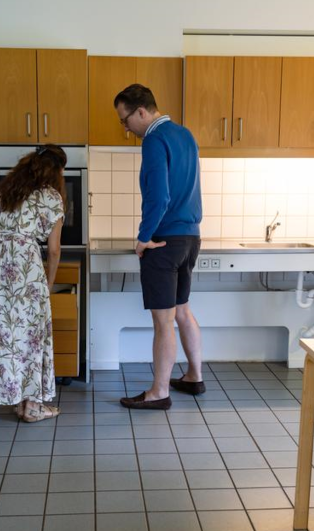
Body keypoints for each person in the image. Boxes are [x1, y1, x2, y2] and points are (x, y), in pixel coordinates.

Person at [113, 84, 205, 410]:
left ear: (141, 111)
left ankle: (159, 392)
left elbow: (159, 196)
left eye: (125, 120)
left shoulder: (154, 139)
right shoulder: (185, 135)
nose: (125, 129)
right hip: (190, 238)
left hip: (163, 241)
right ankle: (194, 376)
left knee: (163, 321)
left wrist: (143, 237)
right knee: (182, 311)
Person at [0, 145, 67, 423]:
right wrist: (48, 284)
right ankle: (32, 407)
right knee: (31, 337)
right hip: (24, 271)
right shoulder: (51, 197)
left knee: (6, 337)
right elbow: (55, 249)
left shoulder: (5, 193)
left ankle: (18, 400)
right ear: (58, 171)